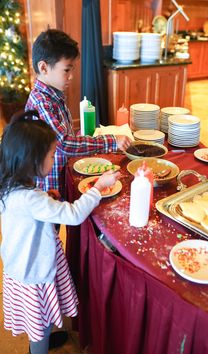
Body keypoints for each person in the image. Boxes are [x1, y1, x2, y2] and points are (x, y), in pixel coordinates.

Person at [0, 111, 120, 354]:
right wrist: (97, 187)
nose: (54, 160)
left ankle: (37, 343)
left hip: (18, 268)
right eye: (52, 155)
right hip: (35, 272)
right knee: (40, 322)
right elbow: (74, 215)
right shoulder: (31, 200)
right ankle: (38, 348)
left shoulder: (10, 187)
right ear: (32, 160)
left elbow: (27, 210)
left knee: (35, 321)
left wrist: (46, 196)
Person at [25, 28, 131, 198]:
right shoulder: (41, 102)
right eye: (67, 70)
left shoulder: (52, 95)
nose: (71, 76)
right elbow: (65, 144)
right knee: (52, 225)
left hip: (60, 177)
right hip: (49, 187)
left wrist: (79, 135)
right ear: (44, 67)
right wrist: (111, 141)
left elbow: (61, 134)